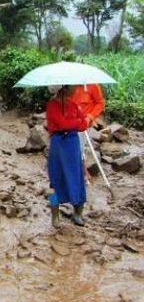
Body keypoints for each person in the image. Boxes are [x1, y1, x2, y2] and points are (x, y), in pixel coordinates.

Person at [46, 85, 89, 228]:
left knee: (77, 177)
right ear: (64, 88)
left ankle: (78, 213)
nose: (76, 89)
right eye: (73, 87)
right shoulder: (52, 105)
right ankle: (55, 216)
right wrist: (75, 123)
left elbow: (83, 125)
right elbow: (63, 123)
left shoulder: (74, 105)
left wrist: (73, 124)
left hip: (72, 143)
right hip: (58, 144)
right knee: (55, 179)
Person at [69, 84, 105, 183]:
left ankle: (81, 175)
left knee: (78, 148)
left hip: (85, 124)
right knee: (74, 149)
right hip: (69, 122)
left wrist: (90, 117)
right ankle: (82, 174)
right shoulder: (69, 84)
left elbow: (100, 103)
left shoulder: (93, 85)